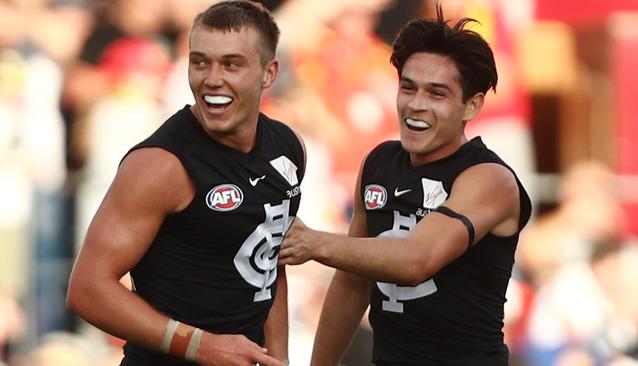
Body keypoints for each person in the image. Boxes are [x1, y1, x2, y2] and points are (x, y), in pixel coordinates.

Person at [279, 5, 532, 366]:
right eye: (408, 88)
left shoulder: (489, 178)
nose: (416, 105)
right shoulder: (379, 163)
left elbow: (417, 260)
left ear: (471, 107)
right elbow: (352, 283)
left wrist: (316, 242)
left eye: (436, 94)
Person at [67, 1, 304, 365]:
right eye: (200, 62)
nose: (212, 79)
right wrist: (199, 345)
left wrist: (280, 359)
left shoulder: (287, 147)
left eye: (231, 64)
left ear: (268, 73)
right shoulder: (161, 165)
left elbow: (271, 264)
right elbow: (87, 290)